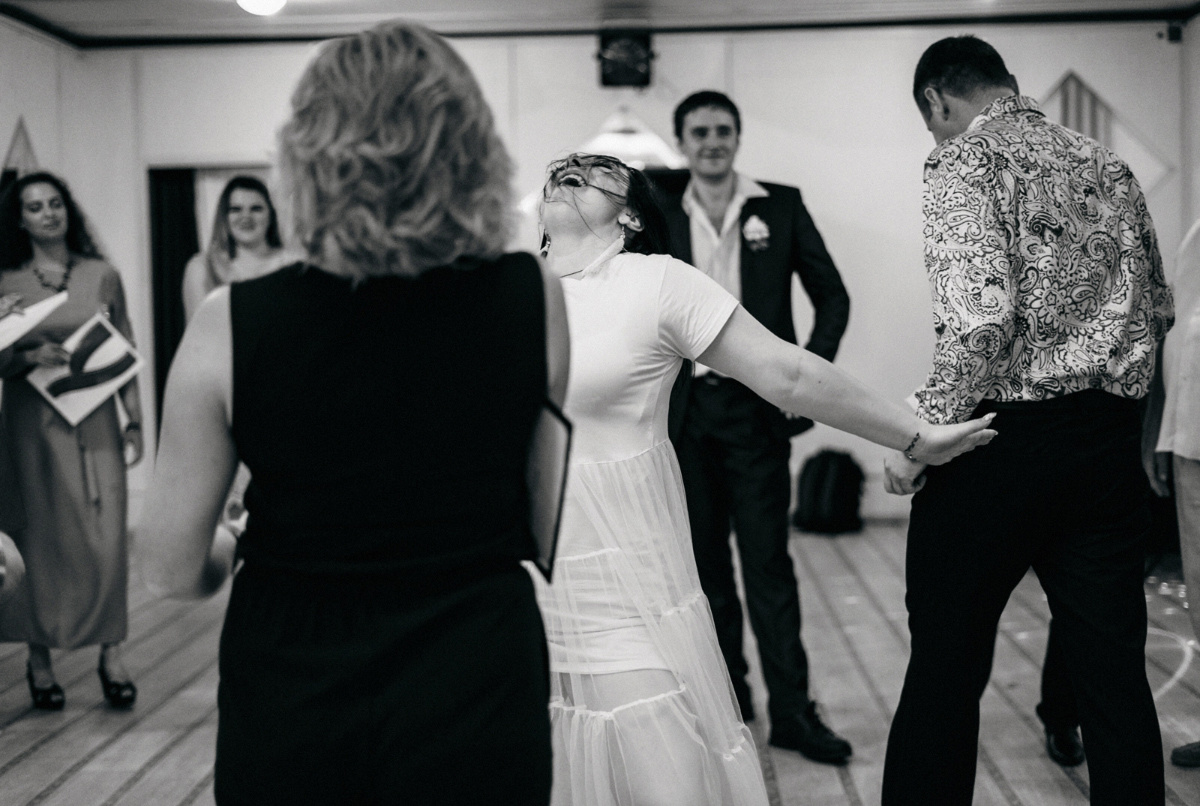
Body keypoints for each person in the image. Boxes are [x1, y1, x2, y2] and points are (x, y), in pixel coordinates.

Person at [141, 21, 567, 805]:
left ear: (308, 153)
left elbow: (170, 570)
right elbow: (536, 491)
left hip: (294, 673)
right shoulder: (529, 293)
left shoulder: (231, 320)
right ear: (469, 147)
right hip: (477, 658)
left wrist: (241, 537)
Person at [534, 151, 995, 806]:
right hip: (520, 580)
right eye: (560, 171)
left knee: (657, 772)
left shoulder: (659, 283)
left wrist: (914, 436)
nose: (570, 175)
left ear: (633, 214)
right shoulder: (510, 287)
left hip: (620, 581)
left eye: (593, 172)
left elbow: (792, 375)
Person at [881, 35, 1174, 805]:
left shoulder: (962, 160)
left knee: (945, 671)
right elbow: (1157, 310)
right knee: (1112, 681)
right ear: (1010, 83)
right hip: (1107, 446)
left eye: (932, 122)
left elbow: (981, 323)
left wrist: (920, 437)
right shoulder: (1104, 162)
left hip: (996, 447)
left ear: (937, 102)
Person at [658, 89, 855, 763]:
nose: (712, 141)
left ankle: (794, 715)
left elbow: (833, 296)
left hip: (758, 412)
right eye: (699, 132)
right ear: (680, 141)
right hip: (684, 416)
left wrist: (808, 380)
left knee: (769, 566)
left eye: (723, 130)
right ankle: (730, 705)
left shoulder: (781, 203)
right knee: (706, 570)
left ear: (738, 138)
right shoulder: (659, 206)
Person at [0, 171, 145, 711]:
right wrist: (22, 355)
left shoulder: (101, 274)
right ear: (19, 218)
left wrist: (134, 419)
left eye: (55, 203)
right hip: (29, 425)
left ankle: (112, 653)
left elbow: (125, 345)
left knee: (107, 536)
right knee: (37, 537)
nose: (48, 213)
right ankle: (39, 662)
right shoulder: (6, 281)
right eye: (34, 207)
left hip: (96, 419)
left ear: (69, 209)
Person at [1148, 218, 1200, 768]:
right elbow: (1182, 330)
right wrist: (1162, 428)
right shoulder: (1195, 229)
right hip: (1192, 437)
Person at [181, 175, 290, 321]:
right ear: (224, 216)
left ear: (271, 214)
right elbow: (198, 335)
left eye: (256, 209)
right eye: (236, 209)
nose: (246, 216)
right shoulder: (203, 267)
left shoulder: (292, 263)